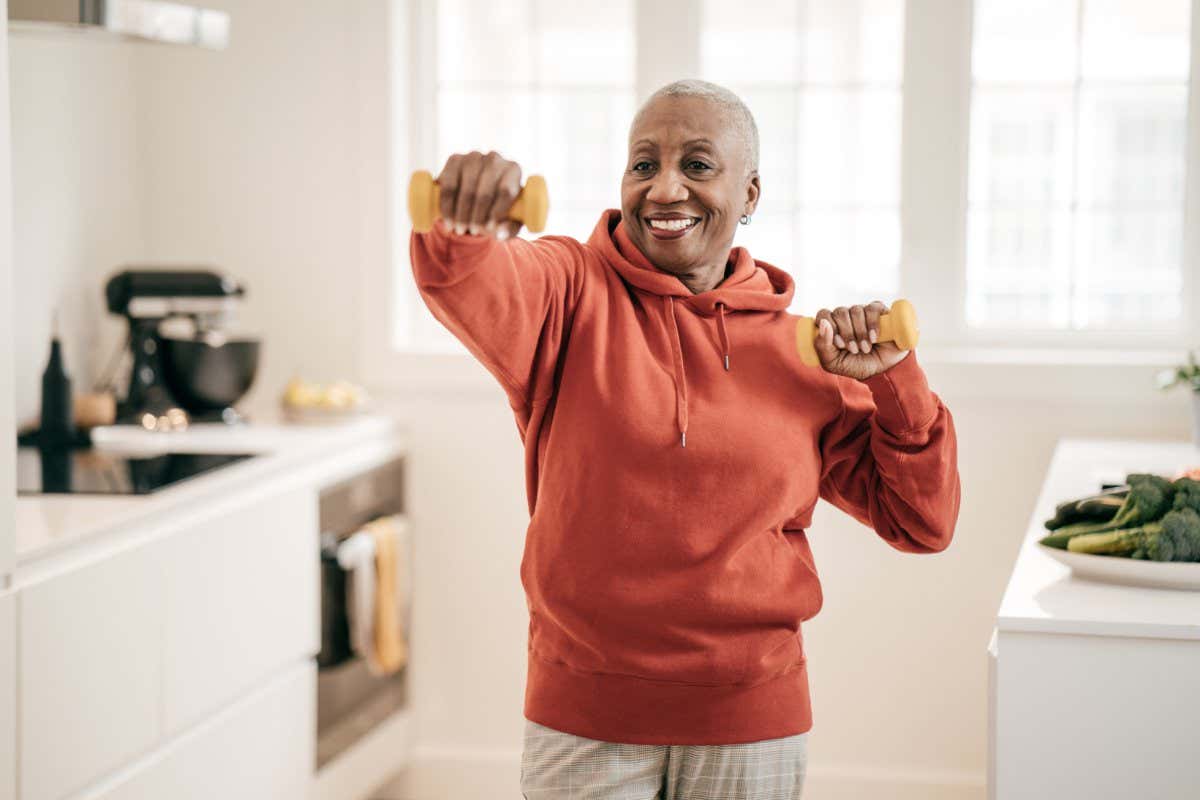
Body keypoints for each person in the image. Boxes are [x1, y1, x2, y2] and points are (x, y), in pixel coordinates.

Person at [409, 78, 961, 799]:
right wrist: (461, 225)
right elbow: (472, 280)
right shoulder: (570, 291)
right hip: (585, 715)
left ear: (751, 194)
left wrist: (895, 382)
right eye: (644, 164)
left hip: (752, 715)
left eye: (697, 165)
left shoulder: (803, 351)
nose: (664, 189)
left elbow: (922, 522)